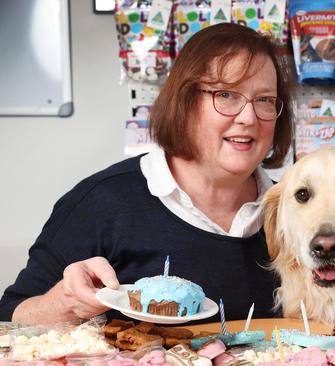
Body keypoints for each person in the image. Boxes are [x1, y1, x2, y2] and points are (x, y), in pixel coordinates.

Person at [0, 23, 293, 324]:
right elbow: (9, 316)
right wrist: (65, 304)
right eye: (226, 95)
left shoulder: (298, 213)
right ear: (185, 102)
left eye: (264, 100)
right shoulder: (103, 202)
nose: (248, 117)